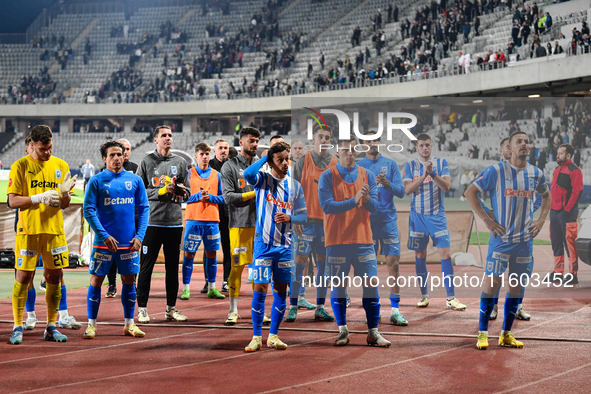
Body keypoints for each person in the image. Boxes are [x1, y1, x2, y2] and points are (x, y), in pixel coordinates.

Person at [466, 131, 551, 350]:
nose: (524, 144)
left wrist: (541, 220)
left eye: (526, 142)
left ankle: (506, 334)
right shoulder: (495, 170)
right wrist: (487, 219)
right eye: (519, 142)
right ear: (509, 148)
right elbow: (470, 192)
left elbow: (547, 196)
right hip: (501, 240)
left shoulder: (536, 173)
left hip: (524, 242)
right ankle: (483, 333)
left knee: (516, 288)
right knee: (492, 285)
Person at [7, 125, 77, 345]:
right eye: (43, 149)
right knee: (24, 277)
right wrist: (38, 198)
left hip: (54, 231)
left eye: (50, 147)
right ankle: (18, 325)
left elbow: (65, 203)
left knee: (54, 278)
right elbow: (12, 201)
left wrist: (63, 196)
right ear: (32, 145)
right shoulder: (20, 166)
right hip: (28, 231)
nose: (47, 152)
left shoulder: (61, 165)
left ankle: (51, 326)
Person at [319, 137, 390, 347]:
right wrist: (355, 200)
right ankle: (343, 330)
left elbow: (375, 207)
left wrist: (366, 200)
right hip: (337, 240)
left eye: (353, 150)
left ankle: (373, 332)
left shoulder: (367, 175)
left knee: (371, 285)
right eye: (345, 150)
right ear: (337, 152)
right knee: (339, 286)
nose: (350, 153)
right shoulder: (327, 176)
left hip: (363, 239)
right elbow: (327, 206)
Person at [243, 142, 307, 352]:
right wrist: (264, 158)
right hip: (263, 245)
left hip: (285, 247)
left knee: (281, 292)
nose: (285, 163)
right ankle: (255, 337)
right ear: (271, 162)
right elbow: (247, 174)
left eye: (286, 159)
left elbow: (304, 216)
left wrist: (290, 217)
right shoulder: (263, 180)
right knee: (259, 291)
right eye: (280, 160)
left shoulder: (295, 186)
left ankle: (273, 336)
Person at [82, 141, 150, 339]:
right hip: (103, 243)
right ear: (104, 158)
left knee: (129, 282)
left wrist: (139, 236)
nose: (117, 158)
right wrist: (103, 235)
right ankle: (92, 325)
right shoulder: (96, 181)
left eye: (119, 154)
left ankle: (129, 324)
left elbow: (144, 209)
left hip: (128, 243)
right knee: (96, 281)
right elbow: (88, 210)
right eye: (112, 155)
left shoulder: (134, 180)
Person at [403, 134, 466, 311]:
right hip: (417, 217)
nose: (424, 148)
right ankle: (424, 295)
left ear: (432, 146)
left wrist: (433, 174)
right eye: (421, 145)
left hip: (437, 217)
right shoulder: (410, 165)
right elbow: (407, 190)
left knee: (445, 255)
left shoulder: (441, 163)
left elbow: (446, 187)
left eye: (427, 145)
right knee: (420, 256)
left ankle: (451, 298)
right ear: (416, 147)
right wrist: (424, 176)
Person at [136, 125, 190, 323]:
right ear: (155, 140)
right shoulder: (147, 161)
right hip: (152, 223)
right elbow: (139, 193)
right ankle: (142, 308)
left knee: (172, 268)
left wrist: (180, 191)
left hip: (174, 224)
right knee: (146, 267)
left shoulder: (180, 162)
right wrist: (161, 191)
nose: (168, 138)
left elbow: (189, 192)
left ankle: (171, 308)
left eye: (170, 135)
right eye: (163, 136)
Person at [286, 125, 337, 323]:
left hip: (326, 223)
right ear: (313, 138)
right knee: (299, 264)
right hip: (305, 222)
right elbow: (292, 193)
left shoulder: (335, 162)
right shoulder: (302, 162)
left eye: (327, 137)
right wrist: (293, 216)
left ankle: (320, 307)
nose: (324, 140)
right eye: (321, 136)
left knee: (323, 267)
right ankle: (293, 306)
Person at [221, 127, 270, 326]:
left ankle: (259, 311)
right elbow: (228, 197)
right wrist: (253, 194)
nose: (255, 144)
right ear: (241, 142)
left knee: (259, 269)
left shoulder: (264, 165)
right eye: (251, 140)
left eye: (257, 140)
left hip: (262, 226)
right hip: (239, 225)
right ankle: (233, 311)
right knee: (237, 267)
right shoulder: (229, 166)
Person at [358, 137, 408, 326]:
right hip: (367, 222)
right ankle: (374, 309)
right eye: (368, 140)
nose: (372, 143)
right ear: (363, 144)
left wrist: (387, 184)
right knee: (367, 268)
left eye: (375, 139)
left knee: (393, 265)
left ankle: (395, 310)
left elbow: (401, 192)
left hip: (388, 221)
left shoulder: (390, 164)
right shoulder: (359, 165)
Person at [180, 143, 226, 300]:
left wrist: (211, 198)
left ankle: (212, 287)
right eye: (202, 154)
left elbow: (224, 197)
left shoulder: (217, 175)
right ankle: (186, 288)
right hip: (193, 220)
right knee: (189, 255)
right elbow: (184, 197)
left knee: (212, 255)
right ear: (196, 156)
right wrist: (198, 197)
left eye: (207, 154)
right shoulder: (189, 174)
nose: (205, 156)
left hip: (212, 221)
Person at [105, 138, 139, 298]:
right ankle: (112, 285)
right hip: (111, 223)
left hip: (132, 221)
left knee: (132, 253)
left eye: (127, 149)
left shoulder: (135, 170)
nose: (124, 152)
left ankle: (133, 283)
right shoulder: (103, 173)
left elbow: (141, 198)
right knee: (111, 254)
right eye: (121, 149)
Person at [550, 144, 583, 285]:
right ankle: (558, 272)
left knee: (569, 243)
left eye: (560, 154)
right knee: (556, 242)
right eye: (557, 153)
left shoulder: (575, 171)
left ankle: (572, 274)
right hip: (554, 211)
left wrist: (567, 209)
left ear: (568, 156)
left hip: (566, 213)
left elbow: (577, 192)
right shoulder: (557, 170)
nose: (557, 155)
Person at [208, 139, 231, 293]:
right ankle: (207, 282)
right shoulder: (207, 165)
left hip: (229, 214)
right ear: (214, 151)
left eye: (226, 148)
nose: (223, 150)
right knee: (209, 249)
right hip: (212, 213)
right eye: (220, 148)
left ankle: (226, 281)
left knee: (228, 248)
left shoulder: (232, 165)